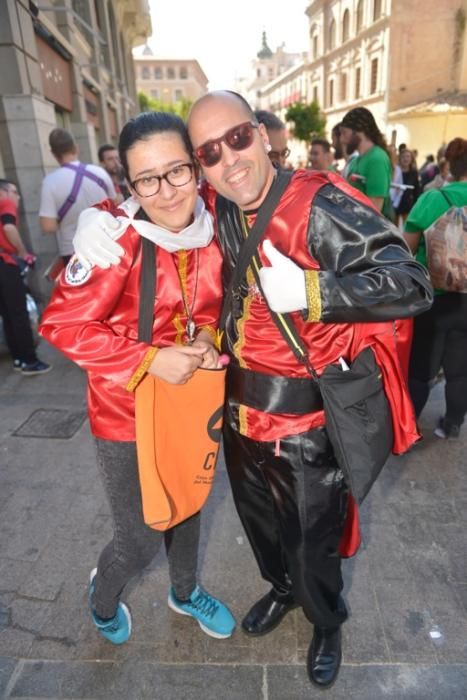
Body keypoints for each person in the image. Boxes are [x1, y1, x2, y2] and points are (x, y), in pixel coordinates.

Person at [72, 91, 432, 689]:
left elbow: (411, 281)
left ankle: (325, 619)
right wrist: (97, 216)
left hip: (303, 425)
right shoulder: (217, 202)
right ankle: (283, 589)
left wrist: (317, 293)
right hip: (235, 420)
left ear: (265, 134)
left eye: (238, 138)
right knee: (263, 527)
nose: (228, 159)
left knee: (312, 538)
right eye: (209, 152)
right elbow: (156, 193)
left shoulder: (319, 204)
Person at [39, 112, 235, 646]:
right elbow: (61, 324)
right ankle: (104, 597)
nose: (167, 193)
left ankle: (185, 590)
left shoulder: (220, 221)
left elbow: (223, 306)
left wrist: (208, 340)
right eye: (147, 180)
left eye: (177, 172)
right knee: (141, 534)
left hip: (191, 404)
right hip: (124, 415)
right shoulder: (114, 239)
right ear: (128, 184)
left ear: (196, 167)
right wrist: (149, 360)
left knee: (189, 505)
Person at [404, 137, 467, 439]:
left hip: (433, 298)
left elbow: (405, 249)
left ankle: (408, 426)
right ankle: (452, 423)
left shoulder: (433, 199)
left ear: (451, 167)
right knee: (459, 369)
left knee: (420, 368)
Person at [39, 128, 116, 264]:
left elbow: (48, 226)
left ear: (53, 154)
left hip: (73, 251)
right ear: (76, 148)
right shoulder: (100, 173)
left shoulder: (50, 182)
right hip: (108, 243)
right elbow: (115, 205)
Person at [0, 179, 51, 375]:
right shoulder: (5, 202)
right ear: (4, 191)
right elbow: (9, 227)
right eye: (14, 191)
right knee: (18, 314)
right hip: (6, 264)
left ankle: (19, 359)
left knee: (8, 314)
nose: (17, 196)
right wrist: (22, 252)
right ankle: (30, 361)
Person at [340, 107, 393, 219]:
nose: (342, 140)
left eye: (344, 133)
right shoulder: (356, 160)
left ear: (358, 131)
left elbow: (374, 209)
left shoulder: (377, 159)